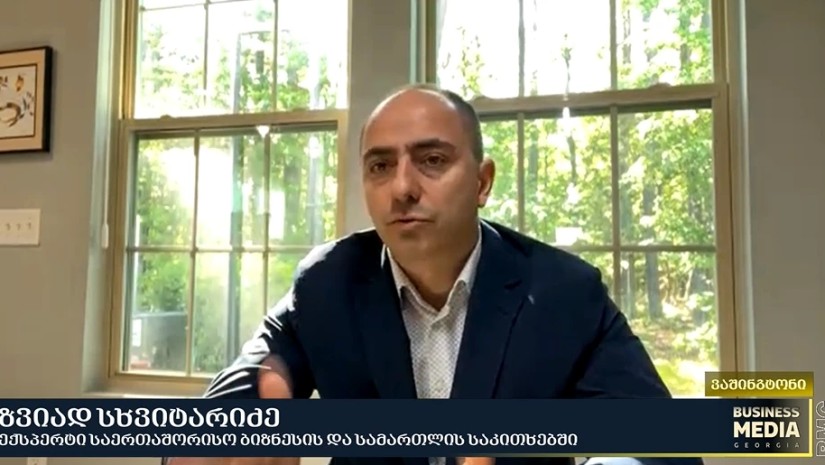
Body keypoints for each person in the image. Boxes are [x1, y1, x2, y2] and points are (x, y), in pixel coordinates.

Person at [165, 85, 703, 465]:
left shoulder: (564, 292)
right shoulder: (329, 282)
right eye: (380, 166)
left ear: (482, 182)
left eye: (432, 160)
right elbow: (261, 364)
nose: (402, 188)